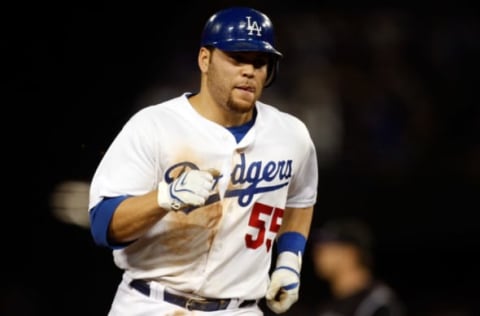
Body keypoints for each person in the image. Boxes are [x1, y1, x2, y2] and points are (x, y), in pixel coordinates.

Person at [88, 6, 319, 316]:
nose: (249, 71)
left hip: (241, 309)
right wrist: (164, 198)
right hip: (152, 302)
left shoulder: (291, 135)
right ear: (204, 59)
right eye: (237, 59)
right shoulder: (155, 125)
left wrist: (290, 261)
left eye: (260, 62)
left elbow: (301, 198)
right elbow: (103, 224)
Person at [311, 217, 406, 316]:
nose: (317, 253)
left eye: (326, 247)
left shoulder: (377, 303)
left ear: (350, 253)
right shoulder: (327, 306)